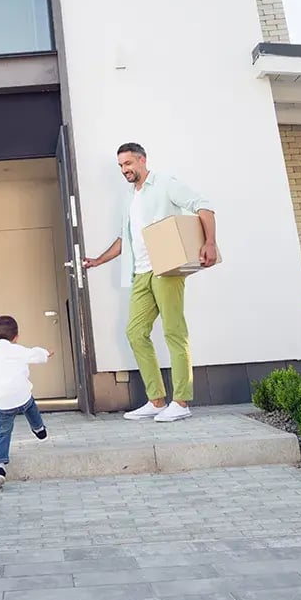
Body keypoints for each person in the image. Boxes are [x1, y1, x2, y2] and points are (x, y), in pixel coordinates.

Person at [84, 143, 216, 423]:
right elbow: (125, 239)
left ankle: (181, 401)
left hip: (166, 268)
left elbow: (203, 206)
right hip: (141, 273)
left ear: (142, 160)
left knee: (174, 332)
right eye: (121, 166)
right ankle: (156, 400)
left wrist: (210, 243)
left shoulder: (165, 183)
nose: (124, 170)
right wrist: (98, 260)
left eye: (128, 164)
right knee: (135, 333)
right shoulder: (129, 198)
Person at [0, 315, 51, 490]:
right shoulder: (20, 350)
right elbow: (36, 355)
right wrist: (45, 354)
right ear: (16, 337)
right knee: (31, 405)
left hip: (3, 403)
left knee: (2, 434)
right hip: (22, 397)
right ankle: (39, 429)